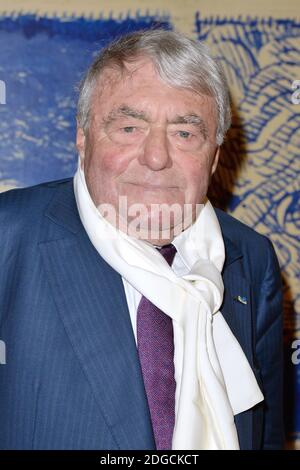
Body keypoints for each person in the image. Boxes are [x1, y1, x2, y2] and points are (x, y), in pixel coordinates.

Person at [0, 29, 283, 450]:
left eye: (185, 134)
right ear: (83, 136)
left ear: (216, 155)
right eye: (130, 127)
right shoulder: (10, 236)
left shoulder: (249, 256)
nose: (156, 158)